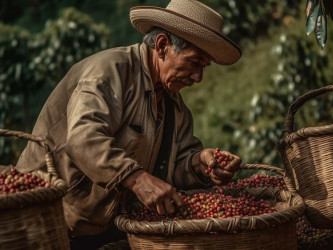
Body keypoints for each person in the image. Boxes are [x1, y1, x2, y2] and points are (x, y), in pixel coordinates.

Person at [16, 0, 242, 248]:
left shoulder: (176, 109)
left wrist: (199, 163)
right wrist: (137, 179)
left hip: (108, 228)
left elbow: (169, 170)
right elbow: (83, 140)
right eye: (194, 62)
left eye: (204, 67)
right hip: (48, 223)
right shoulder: (109, 72)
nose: (199, 77)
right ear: (163, 46)